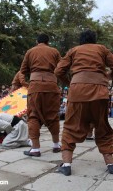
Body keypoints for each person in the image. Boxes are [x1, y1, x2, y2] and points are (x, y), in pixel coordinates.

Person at [54, 29, 113, 176]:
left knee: (70, 126)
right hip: (100, 91)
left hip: (77, 92)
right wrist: (105, 77)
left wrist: (72, 82)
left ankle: (66, 165)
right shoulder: (102, 49)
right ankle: (111, 163)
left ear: (81, 40)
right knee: (102, 127)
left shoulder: (74, 50)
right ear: (94, 39)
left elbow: (58, 71)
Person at [20, 33, 62, 157]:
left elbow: (23, 70)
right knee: (53, 115)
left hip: (35, 86)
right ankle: (56, 145)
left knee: (33, 116)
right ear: (48, 42)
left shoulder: (30, 51)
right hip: (51, 86)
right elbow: (61, 69)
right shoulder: (54, 51)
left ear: (37, 41)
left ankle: (35, 148)